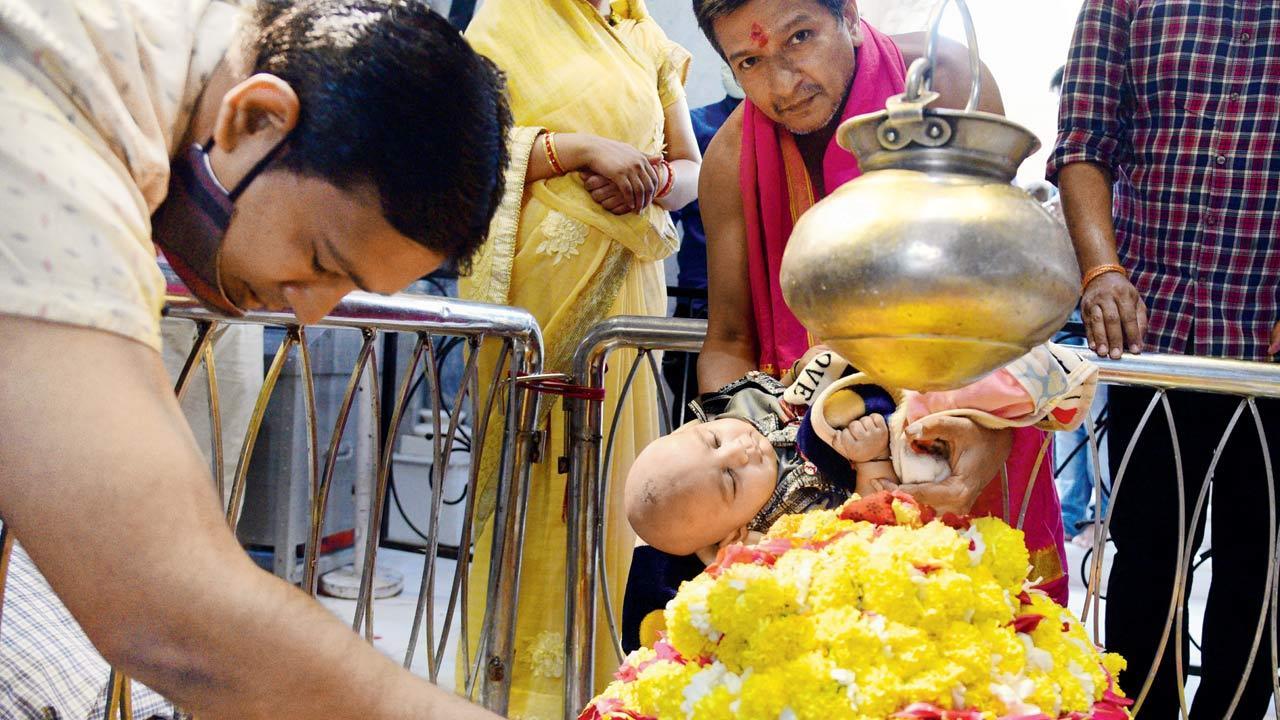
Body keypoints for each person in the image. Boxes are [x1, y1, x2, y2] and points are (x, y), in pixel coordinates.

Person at [0, 0, 511, 717]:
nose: (308, 312)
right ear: (255, 120)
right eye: (320, 261)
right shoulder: (57, 104)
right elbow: (164, 605)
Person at [691, 0, 1065, 535]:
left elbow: (1000, 288)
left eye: (799, 37)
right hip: (818, 447)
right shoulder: (729, 159)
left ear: (847, 14)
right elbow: (728, 341)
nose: (782, 84)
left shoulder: (945, 82)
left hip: (973, 422)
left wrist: (988, 433)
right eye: (749, 61)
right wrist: (753, 467)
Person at [458, 1, 701, 715]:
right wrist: (579, 151)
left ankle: (603, 684)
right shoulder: (503, 23)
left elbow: (690, 168)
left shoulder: (645, 35)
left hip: (626, 297)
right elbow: (466, 155)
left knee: (612, 487)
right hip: (533, 299)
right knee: (534, 482)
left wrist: (650, 181)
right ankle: (515, 689)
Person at [1049, 1, 1280, 715]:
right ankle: (1138, 709)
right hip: (1152, 337)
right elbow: (1083, 142)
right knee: (1148, 557)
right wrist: (1100, 271)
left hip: (1269, 352)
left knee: (1259, 570)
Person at [627, 343, 1095, 601]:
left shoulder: (741, 406)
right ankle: (1038, 383)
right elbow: (876, 512)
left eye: (712, 440)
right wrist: (869, 456)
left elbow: (794, 383)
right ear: (728, 540)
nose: (740, 449)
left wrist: (816, 368)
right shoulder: (783, 529)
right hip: (914, 447)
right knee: (956, 399)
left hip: (874, 369)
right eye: (730, 480)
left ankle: (1017, 367)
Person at [662, 64, 744, 425]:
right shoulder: (698, 128)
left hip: (775, 300)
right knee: (696, 421)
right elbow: (665, 216)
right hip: (702, 302)